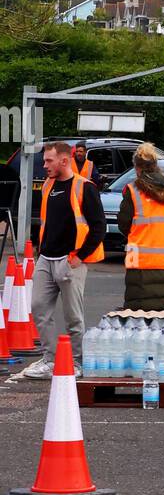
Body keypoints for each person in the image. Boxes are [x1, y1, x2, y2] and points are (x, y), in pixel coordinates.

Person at [19, 140, 106, 378]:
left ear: (64, 161)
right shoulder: (49, 184)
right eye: (44, 160)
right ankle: (49, 359)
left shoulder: (84, 187)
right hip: (46, 259)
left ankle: (76, 362)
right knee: (38, 307)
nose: (44, 165)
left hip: (70, 260)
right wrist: (40, 251)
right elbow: (46, 221)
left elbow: (99, 227)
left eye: (49, 160)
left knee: (73, 316)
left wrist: (80, 257)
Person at [118, 144, 164, 311]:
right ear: (156, 165)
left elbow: (123, 225)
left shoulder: (133, 191)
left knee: (140, 323)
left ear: (137, 168)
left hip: (139, 268)